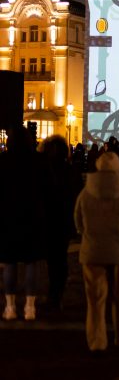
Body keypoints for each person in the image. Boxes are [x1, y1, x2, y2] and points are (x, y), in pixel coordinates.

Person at [74, 151, 119, 352]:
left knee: (95, 299)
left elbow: (78, 219)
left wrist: (86, 233)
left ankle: (96, 341)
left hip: (93, 249)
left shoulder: (87, 190)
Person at [0, 126, 47, 321]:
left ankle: (10, 307)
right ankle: (29, 307)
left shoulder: (3, 161)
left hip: (8, 217)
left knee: (9, 263)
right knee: (31, 263)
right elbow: (48, 191)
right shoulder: (39, 161)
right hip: (32, 217)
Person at [42, 135, 83, 311]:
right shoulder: (71, 170)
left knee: (53, 259)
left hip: (49, 219)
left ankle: (54, 293)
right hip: (65, 219)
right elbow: (78, 195)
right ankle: (57, 293)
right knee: (60, 258)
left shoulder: (45, 170)